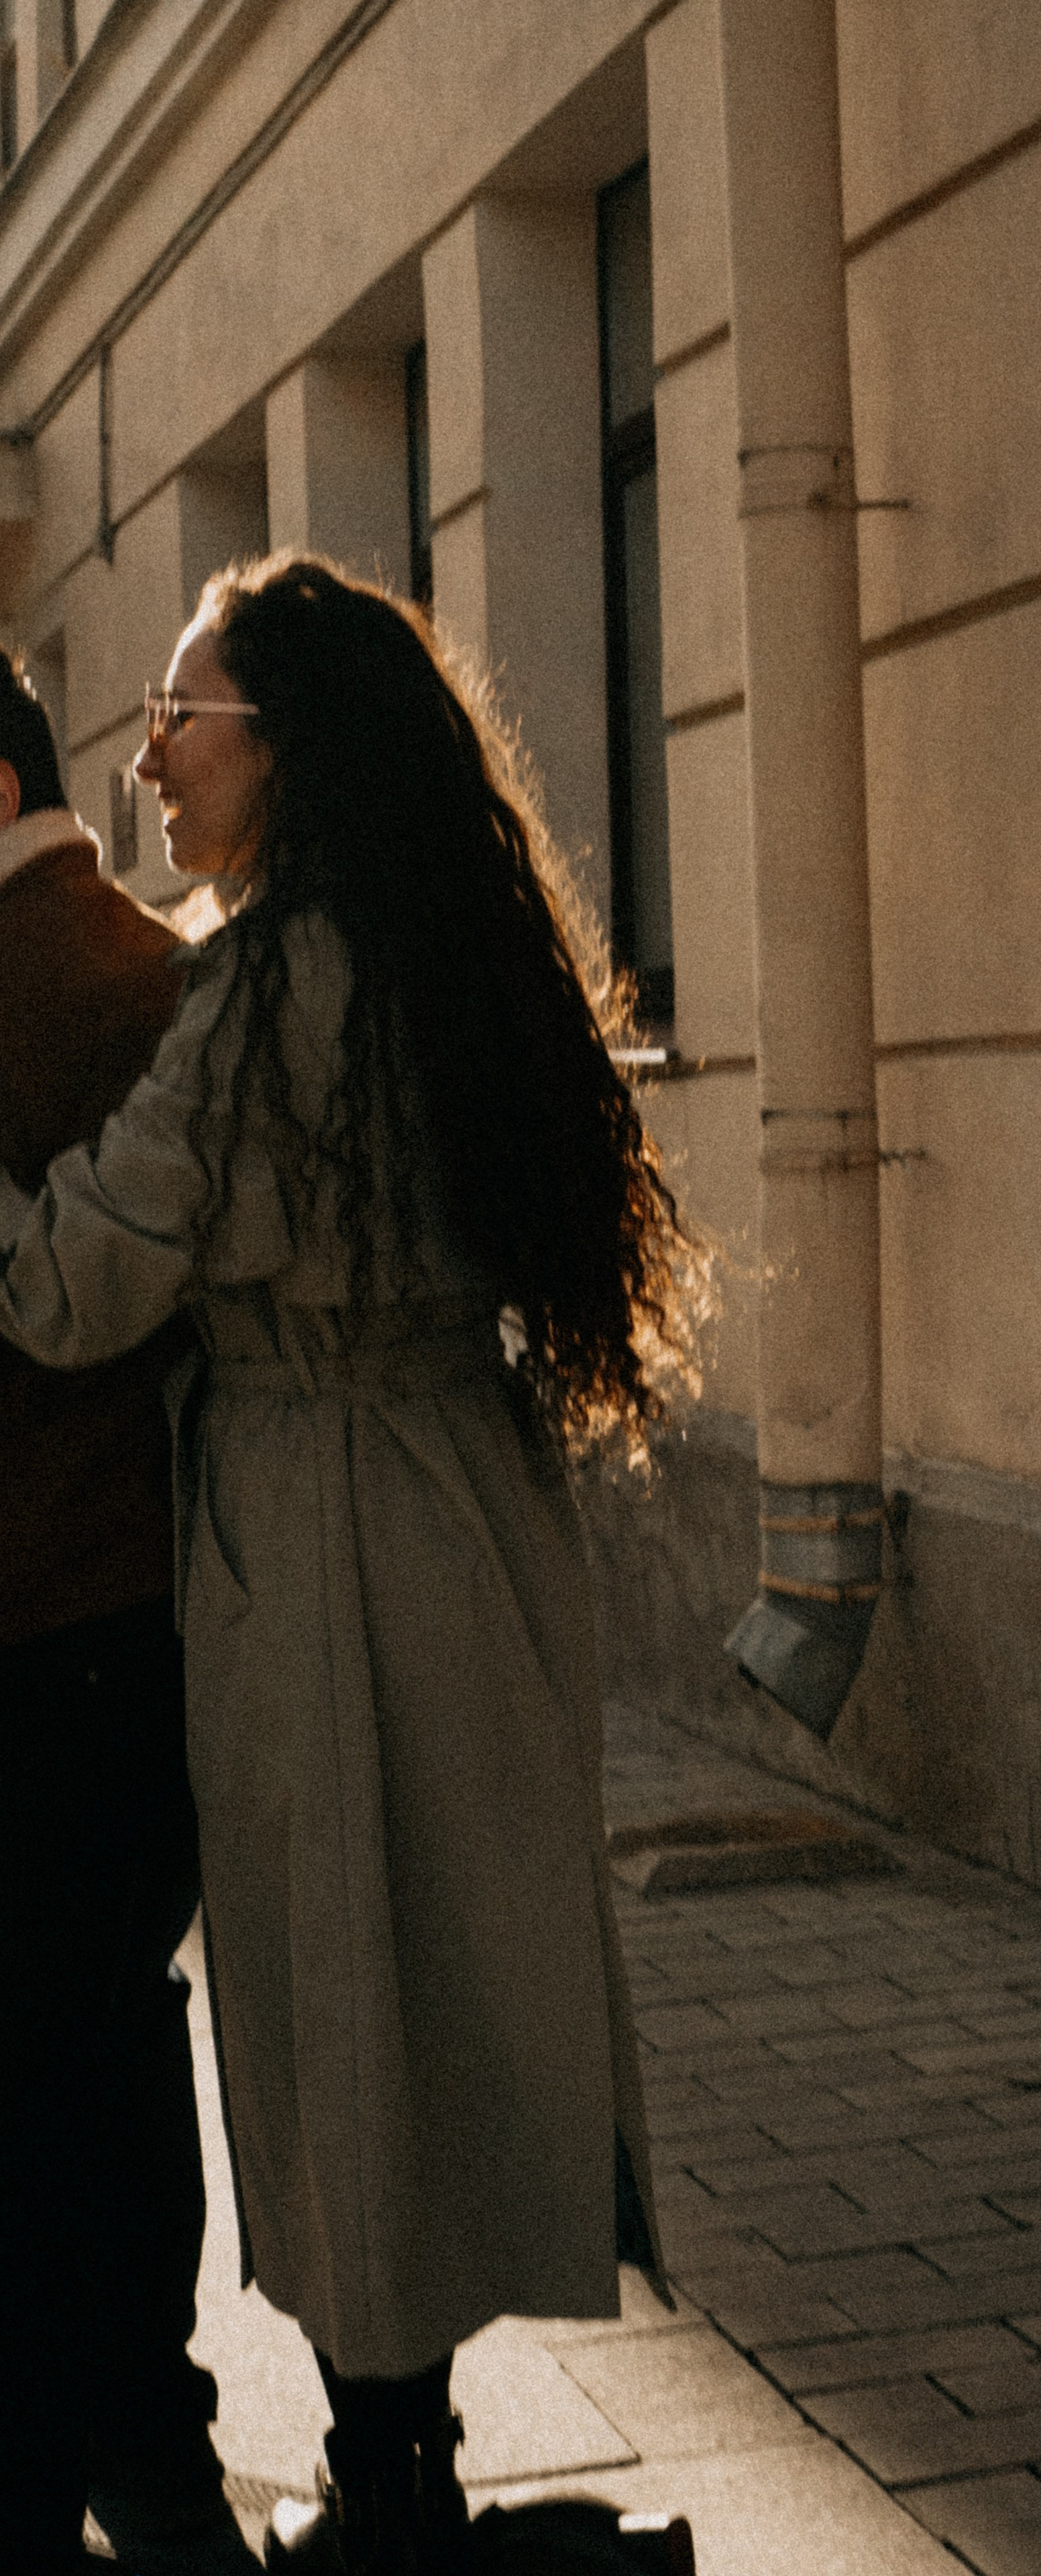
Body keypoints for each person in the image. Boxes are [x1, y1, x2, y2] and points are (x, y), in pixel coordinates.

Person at [0, 556, 700, 2576]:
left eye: (179, 718)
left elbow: (67, 1288)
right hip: (469, 1508)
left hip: (308, 1521)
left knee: (333, 1989)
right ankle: (415, 2448)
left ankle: (389, 2493)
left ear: (283, 746)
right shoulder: (455, 955)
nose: (148, 758)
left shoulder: (262, 992)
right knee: (460, 1970)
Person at [0, 655, 254, 2573]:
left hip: (27, 1625)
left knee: (37, 2063)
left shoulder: (45, 980)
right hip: (142, 1609)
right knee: (103, 2036)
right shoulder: (156, 964)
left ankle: (69, 2459)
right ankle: (150, 2446)